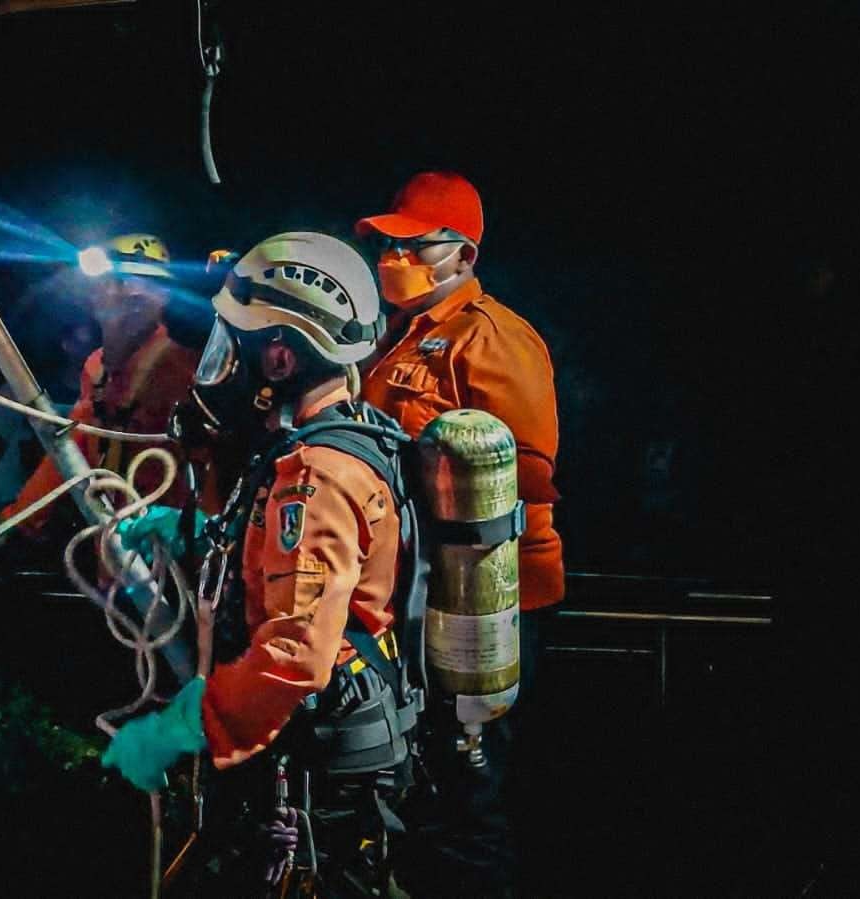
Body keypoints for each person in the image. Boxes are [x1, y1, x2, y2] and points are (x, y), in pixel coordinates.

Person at [103, 232, 418, 895]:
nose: (222, 366)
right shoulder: (330, 439)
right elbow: (289, 562)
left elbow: (296, 652)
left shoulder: (315, 474)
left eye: (233, 344)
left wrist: (178, 726)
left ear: (277, 356)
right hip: (320, 747)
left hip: (318, 772)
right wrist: (194, 534)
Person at [355, 171, 562, 896]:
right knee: (428, 786)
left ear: (463, 257)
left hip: (488, 600)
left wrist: (421, 460)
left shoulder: (492, 338)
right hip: (416, 594)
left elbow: (528, 471)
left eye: (413, 246)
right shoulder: (390, 340)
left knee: (468, 794)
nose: (391, 259)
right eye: (384, 243)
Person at [0, 233, 200, 531]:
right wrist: (18, 521)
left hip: (168, 542)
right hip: (114, 540)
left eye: (144, 282)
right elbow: (72, 446)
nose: (129, 291)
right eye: (118, 280)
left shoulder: (182, 362)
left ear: (165, 296)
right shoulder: (97, 367)